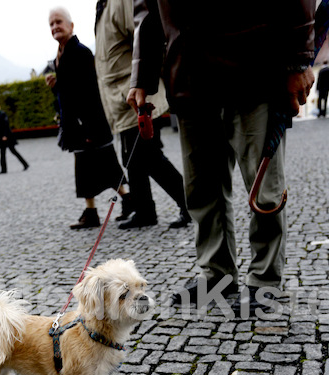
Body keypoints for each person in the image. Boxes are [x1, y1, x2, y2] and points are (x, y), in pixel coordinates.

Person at [127, 1, 315, 315]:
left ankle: (265, 282)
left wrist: (298, 61)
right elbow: (147, 12)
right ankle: (217, 277)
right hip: (188, 78)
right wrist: (141, 77)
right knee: (202, 191)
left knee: (264, 188)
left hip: (256, 70)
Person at [94, 0, 190, 229]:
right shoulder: (103, 5)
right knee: (134, 159)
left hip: (135, 96)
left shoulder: (120, 2)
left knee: (150, 158)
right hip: (122, 98)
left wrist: (143, 85)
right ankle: (145, 210)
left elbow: (143, 36)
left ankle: (189, 204)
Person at [45, 6, 132, 229]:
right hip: (77, 125)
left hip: (89, 124)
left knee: (106, 166)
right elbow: (69, 92)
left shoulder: (80, 52)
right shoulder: (60, 55)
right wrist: (57, 86)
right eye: (51, 24)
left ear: (71, 26)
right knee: (90, 167)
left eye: (59, 22)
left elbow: (90, 92)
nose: (55, 26)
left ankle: (122, 202)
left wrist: (88, 126)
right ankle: (99, 209)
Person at [0, 101, 29, 174]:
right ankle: (4, 169)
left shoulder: (2, 114)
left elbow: (6, 125)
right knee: (3, 153)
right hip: (0, 138)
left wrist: (5, 135)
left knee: (13, 151)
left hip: (7, 137)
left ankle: (25, 164)